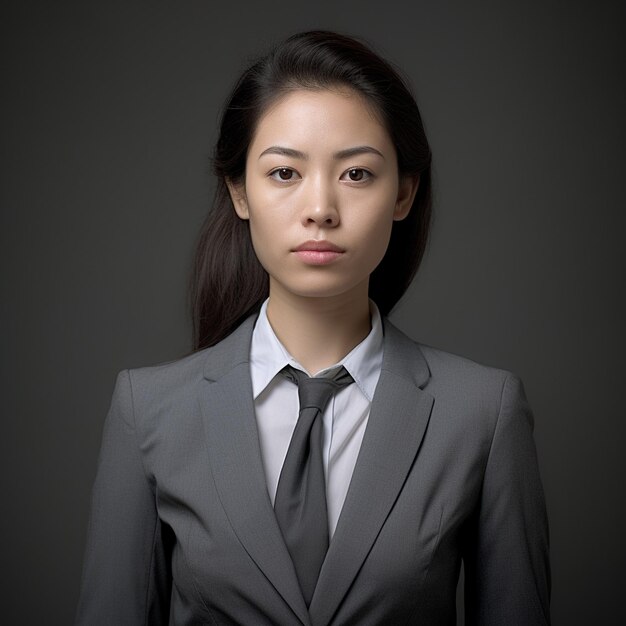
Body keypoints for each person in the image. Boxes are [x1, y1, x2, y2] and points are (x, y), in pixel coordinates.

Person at [75, 30, 551, 625]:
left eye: (356, 174)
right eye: (283, 173)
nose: (320, 207)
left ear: (403, 191)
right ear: (238, 191)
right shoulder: (147, 411)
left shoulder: (482, 412)